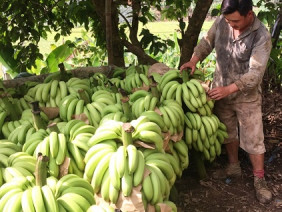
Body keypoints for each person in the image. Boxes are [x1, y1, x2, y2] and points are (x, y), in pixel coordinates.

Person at [180, 0, 272, 204]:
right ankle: (233, 166)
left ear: (250, 14)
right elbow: (206, 42)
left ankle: (259, 179)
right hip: (220, 88)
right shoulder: (223, 21)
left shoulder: (261, 36)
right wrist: (194, 60)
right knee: (227, 130)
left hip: (246, 95)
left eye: (236, 21)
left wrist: (228, 89)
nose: (231, 25)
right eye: (229, 21)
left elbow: (255, 74)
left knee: (254, 137)